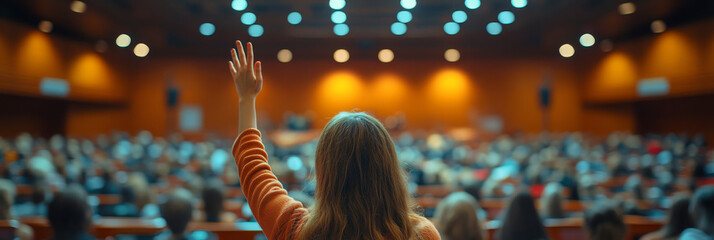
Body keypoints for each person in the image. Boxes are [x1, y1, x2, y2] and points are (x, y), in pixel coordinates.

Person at [228, 41, 439, 239]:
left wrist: (247, 99)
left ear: (324, 169)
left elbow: (253, 169)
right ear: (389, 168)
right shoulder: (420, 233)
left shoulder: (296, 230)